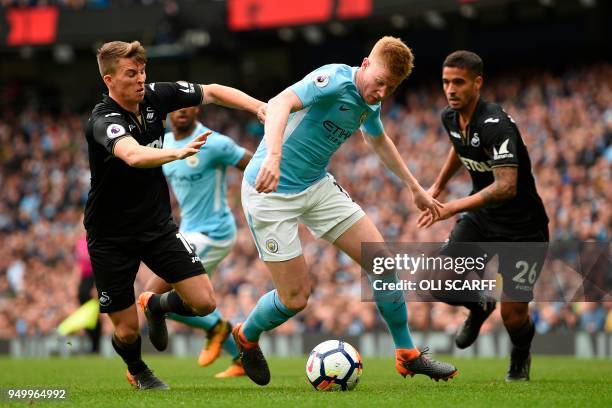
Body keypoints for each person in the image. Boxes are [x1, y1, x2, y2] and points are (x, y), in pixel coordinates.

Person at [233, 36, 458, 386]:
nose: (382, 92)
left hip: (316, 185)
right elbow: (278, 104)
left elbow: (378, 139)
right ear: (365, 63)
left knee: (381, 261)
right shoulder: (333, 79)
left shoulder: (371, 101)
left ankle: (407, 355)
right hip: (270, 190)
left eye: (391, 87)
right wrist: (274, 157)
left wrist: (415, 188)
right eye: (380, 81)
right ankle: (246, 337)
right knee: (295, 299)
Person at [85, 40, 265, 390]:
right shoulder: (103, 120)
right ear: (109, 80)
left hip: (156, 227)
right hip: (110, 235)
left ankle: (158, 305)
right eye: (131, 74)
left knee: (203, 302)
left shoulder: (155, 96)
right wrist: (177, 153)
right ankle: (138, 370)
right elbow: (134, 155)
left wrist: (262, 108)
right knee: (125, 330)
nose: (141, 79)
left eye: (142, 71)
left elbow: (211, 92)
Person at [417, 50, 549, 381]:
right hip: (481, 221)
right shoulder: (450, 117)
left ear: (477, 83)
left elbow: (506, 187)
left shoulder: (496, 125)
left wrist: (451, 207)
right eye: (446, 82)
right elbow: (459, 146)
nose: (450, 89)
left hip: (523, 230)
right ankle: (479, 305)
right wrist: (437, 186)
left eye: (458, 82)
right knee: (434, 279)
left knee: (515, 316)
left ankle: (520, 355)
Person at [141, 106, 252, 378]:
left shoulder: (213, 142)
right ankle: (239, 357)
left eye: (187, 104)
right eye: (174, 105)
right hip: (187, 231)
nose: (181, 110)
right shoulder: (163, 144)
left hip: (215, 233)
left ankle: (217, 329)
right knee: (183, 300)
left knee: (150, 296)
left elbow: (255, 164)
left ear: (197, 108)